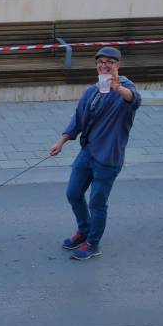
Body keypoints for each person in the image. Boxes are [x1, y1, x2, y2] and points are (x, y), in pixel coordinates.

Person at [48, 46, 139, 261]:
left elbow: (134, 99)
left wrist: (119, 88)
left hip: (108, 157)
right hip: (88, 152)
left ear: (117, 65)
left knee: (97, 202)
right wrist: (61, 140)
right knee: (73, 192)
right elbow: (78, 118)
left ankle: (93, 243)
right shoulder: (92, 90)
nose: (104, 65)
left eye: (109, 62)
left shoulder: (125, 88)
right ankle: (84, 230)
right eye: (100, 61)